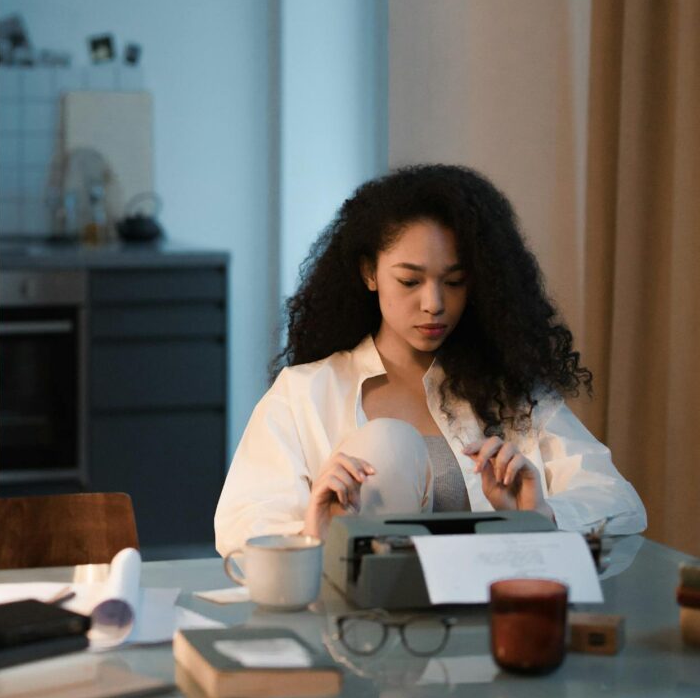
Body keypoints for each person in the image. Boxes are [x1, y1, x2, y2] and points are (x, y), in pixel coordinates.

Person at [215, 164, 646, 556]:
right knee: (385, 445)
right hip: (359, 626)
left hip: (489, 619)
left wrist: (539, 518)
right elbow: (240, 527)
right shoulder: (305, 392)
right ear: (369, 273)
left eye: (454, 281)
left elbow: (619, 503)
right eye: (409, 280)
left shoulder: (509, 392)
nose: (434, 303)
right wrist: (314, 533)